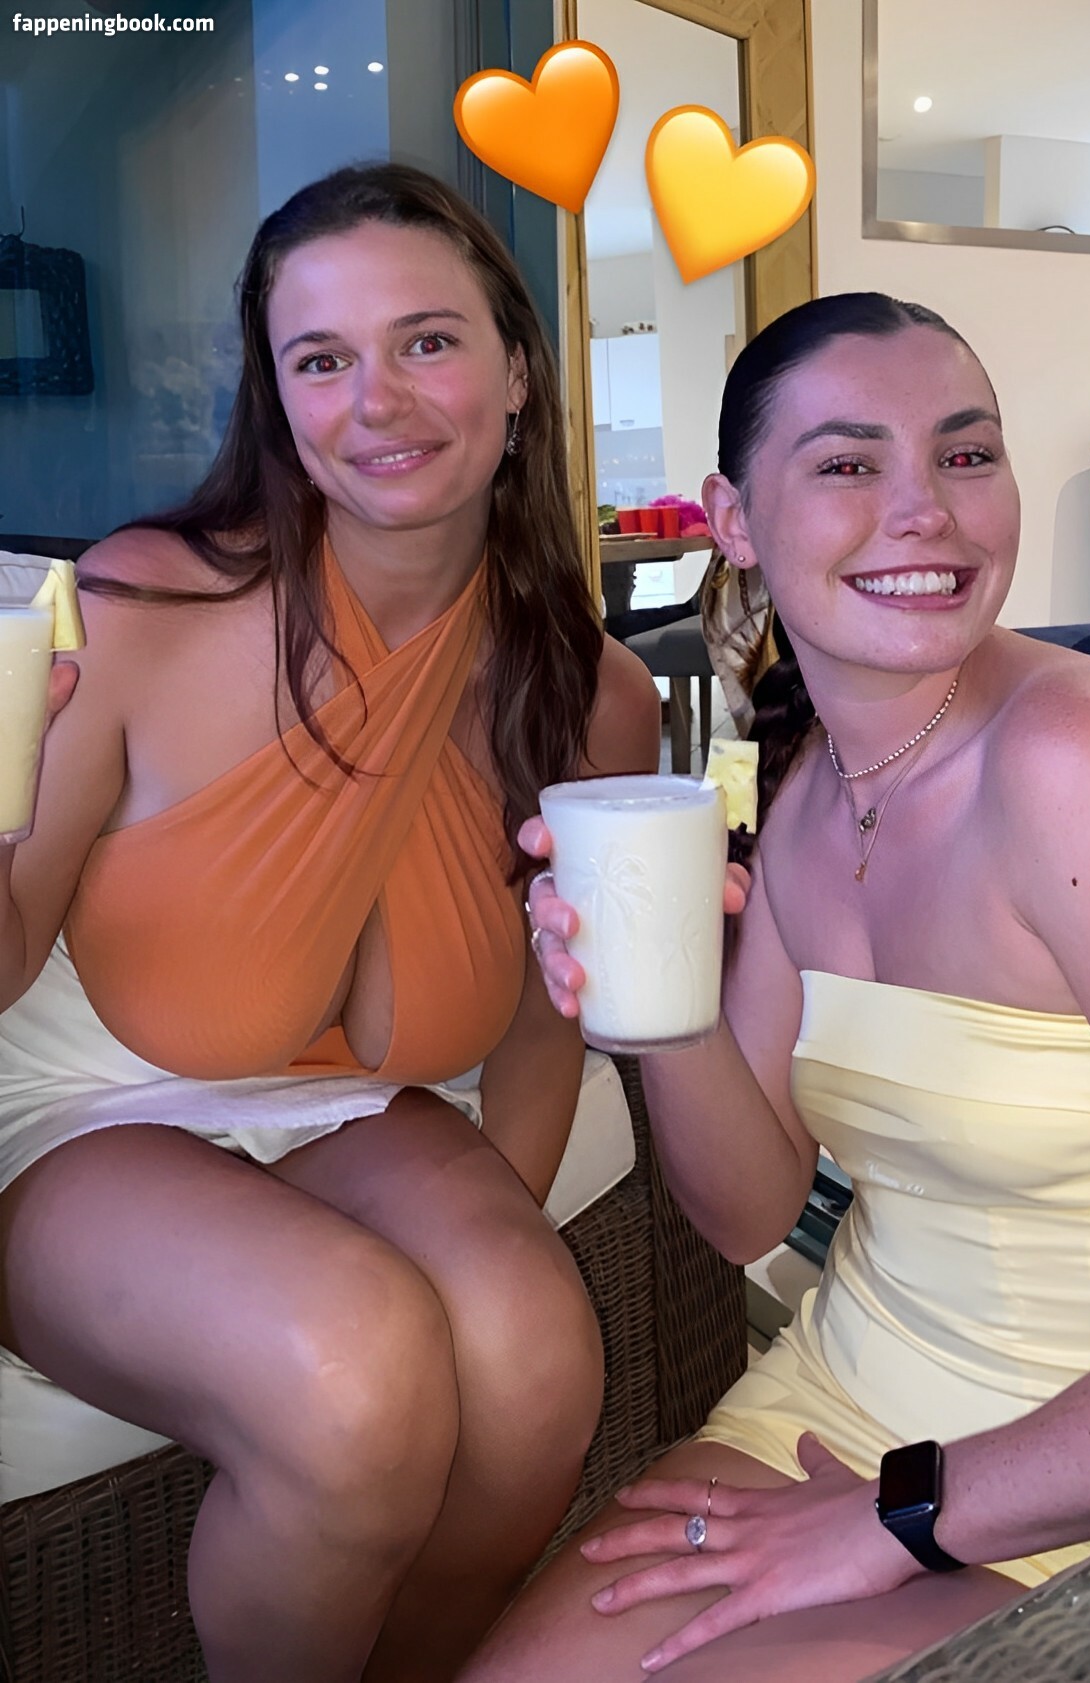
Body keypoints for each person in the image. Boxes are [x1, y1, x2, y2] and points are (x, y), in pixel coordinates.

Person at [0, 162, 661, 1683]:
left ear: (516, 368)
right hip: (82, 1110)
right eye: (321, 359)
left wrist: (482, 1244)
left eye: (426, 341)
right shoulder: (142, 611)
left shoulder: (592, 698)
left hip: (351, 1108)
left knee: (533, 1361)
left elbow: (541, 1022)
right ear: (279, 402)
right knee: (355, 1370)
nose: (378, 402)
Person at [466, 292, 1090, 1683]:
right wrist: (657, 1003)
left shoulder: (1075, 757)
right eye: (849, 462)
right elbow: (748, 1213)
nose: (927, 513)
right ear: (732, 519)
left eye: (964, 455)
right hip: (846, 1398)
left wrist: (898, 1518)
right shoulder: (799, 789)